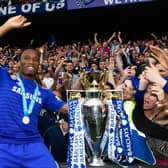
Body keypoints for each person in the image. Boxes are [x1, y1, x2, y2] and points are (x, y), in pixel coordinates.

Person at [0, 15, 68, 168]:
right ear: (19, 62)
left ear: (39, 64)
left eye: (35, 59)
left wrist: (93, 102)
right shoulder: (4, 78)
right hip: (3, 145)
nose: (31, 61)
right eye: (26, 58)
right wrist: (6, 26)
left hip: (33, 146)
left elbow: (67, 109)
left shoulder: (44, 93)